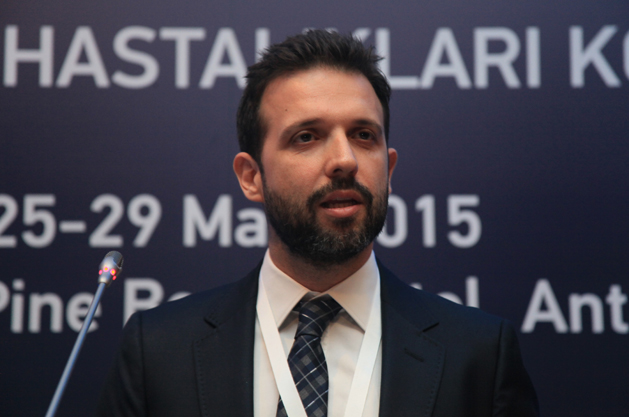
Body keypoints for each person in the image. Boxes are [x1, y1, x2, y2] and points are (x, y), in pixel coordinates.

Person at [96, 30, 539, 417]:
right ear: (251, 177)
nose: (344, 160)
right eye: (306, 137)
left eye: (363, 135)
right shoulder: (159, 351)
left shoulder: (478, 354)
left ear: (389, 169)